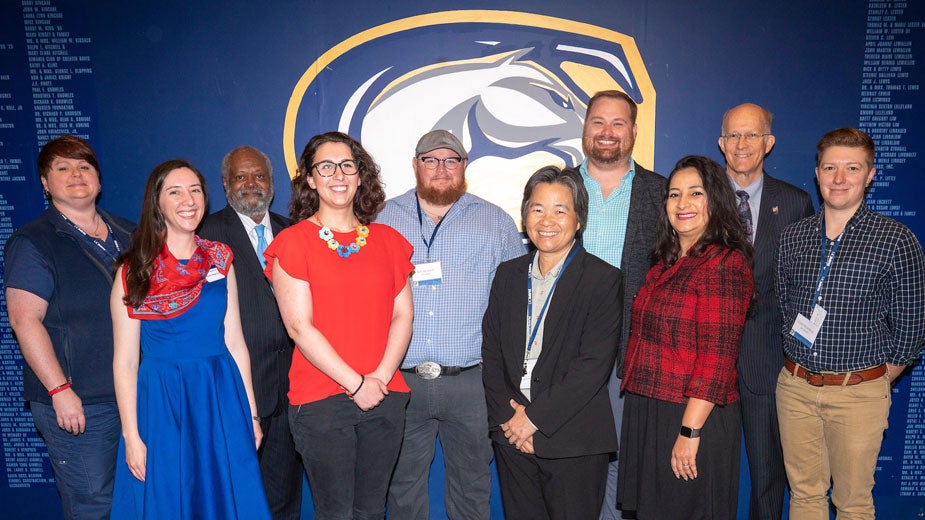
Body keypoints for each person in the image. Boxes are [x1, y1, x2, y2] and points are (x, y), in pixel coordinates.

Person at [376, 129, 526, 519]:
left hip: (472, 383)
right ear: (415, 165)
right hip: (400, 380)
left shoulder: (496, 222)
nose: (441, 169)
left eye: (451, 160)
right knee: (402, 485)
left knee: (472, 484)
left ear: (464, 168)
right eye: (430, 160)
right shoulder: (379, 220)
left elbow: (518, 305)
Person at [776, 128, 925, 519]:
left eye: (852, 168)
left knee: (853, 503)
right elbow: (783, 306)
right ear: (817, 173)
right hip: (795, 390)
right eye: (830, 168)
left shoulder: (896, 240)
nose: (839, 179)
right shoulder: (794, 237)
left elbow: (911, 330)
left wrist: (869, 382)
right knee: (805, 496)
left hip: (858, 394)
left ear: (870, 175)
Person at [264, 131, 413, 520]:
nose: (338, 174)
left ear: (360, 175)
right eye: (325, 167)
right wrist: (357, 383)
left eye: (347, 165)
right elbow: (299, 327)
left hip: (384, 395)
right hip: (320, 401)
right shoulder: (293, 243)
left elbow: (403, 315)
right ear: (310, 179)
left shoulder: (388, 240)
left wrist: (378, 378)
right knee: (336, 513)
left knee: (370, 510)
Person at [110, 159, 270, 518]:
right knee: (169, 499)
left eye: (195, 190)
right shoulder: (133, 271)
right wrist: (132, 437)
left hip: (220, 396)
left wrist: (253, 415)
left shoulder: (219, 259)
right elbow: (125, 362)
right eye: (175, 191)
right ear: (157, 203)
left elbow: (235, 342)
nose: (188, 199)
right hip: (163, 402)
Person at [482, 166, 623, 520]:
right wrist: (511, 421)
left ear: (578, 220)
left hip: (573, 438)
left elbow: (592, 367)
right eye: (538, 208)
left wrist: (534, 419)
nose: (548, 220)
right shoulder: (507, 274)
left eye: (561, 210)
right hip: (511, 434)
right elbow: (492, 353)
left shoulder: (602, 280)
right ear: (525, 214)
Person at [5, 135, 134, 519]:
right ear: (45, 183)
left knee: (136, 502)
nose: (76, 174)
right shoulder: (34, 241)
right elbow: (23, 319)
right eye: (62, 168)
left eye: (84, 166)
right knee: (93, 506)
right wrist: (59, 390)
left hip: (134, 396)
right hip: (81, 406)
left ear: (98, 177)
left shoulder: (129, 233)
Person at [618, 155, 754, 520]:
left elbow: (717, 358)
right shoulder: (667, 260)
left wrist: (689, 432)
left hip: (692, 416)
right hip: (651, 410)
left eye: (695, 193)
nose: (683, 204)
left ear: (716, 200)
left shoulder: (724, 264)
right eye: (674, 194)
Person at [562, 90, 664, 520]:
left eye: (618, 123)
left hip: (631, 353)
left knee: (623, 463)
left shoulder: (661, 193)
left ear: (634, 131)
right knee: (566, 460)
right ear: (585, 128)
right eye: (598, 122)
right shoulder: (557, 185)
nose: (607, 132)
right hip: (564, 352)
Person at [718, 103, 814, 520]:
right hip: (703, 360)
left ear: (768, 143)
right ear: (721, 143)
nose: (742, 144)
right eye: (734, 136)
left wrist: (801, 351)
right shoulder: (693, 196)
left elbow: (810, 287)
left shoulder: (794, 203)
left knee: (767, 478)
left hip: (767, 361)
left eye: (752, 135)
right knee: (697, 473)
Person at [198, 145, 302, 519]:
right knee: (233, 495)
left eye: (259, 176)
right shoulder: (205, 234)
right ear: (225, 184)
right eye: (241, 177)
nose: (251, 184)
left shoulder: (294, 233)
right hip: (236, 388)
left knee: (285, 495)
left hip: (293, 388)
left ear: (272, 184)